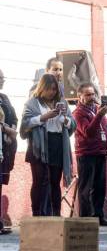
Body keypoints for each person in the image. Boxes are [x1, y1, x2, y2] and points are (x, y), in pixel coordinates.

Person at [20, 73, 76, 216]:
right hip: (38, 146)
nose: (52, 92)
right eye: (49, 89)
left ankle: (56, 213)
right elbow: (25, 125)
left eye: (54, 89)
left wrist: (64, 118)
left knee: (54, 182)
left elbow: (72, 124)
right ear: (42, 88)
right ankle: (37, 213)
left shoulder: (62, 103)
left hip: (57, 143)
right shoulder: (32, 103)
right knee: (39, 180)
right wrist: (44, 117)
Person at [72, 83, 107, 226]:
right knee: (86, 188)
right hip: (86, 154)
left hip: (100, 153)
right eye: (88, 94)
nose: (92, 97)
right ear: (80, 96)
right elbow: (88, 132)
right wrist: (99, 115)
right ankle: (85, 219)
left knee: (100, 187)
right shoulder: (78, 113)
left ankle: (98, 216)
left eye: (93, 94)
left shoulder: (97, 109)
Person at [0, 69, 18, 233]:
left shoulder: (4, 98)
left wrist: (11, 131)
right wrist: (6, 129)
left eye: (3, 78)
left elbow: (14, 117)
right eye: (0, 78)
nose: (2, 81)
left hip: (3, 148)